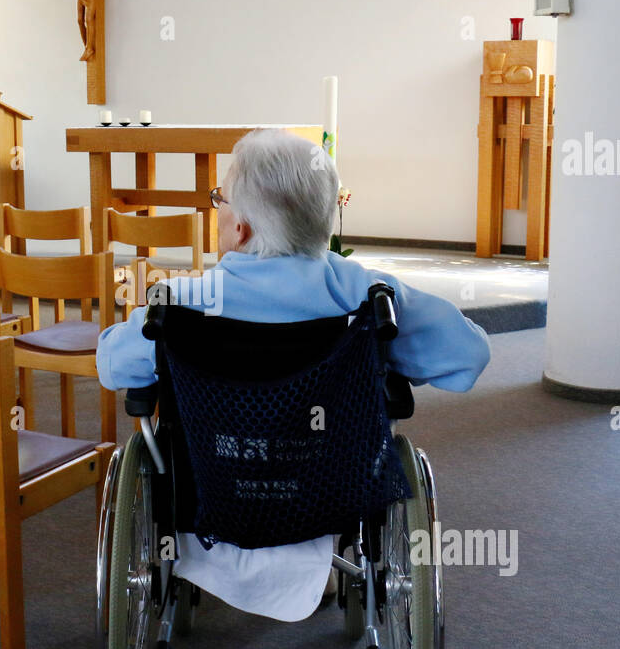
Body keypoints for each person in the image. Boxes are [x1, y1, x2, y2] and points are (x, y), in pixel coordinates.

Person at [96, 128, 490, 621]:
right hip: (329, 492)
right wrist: (390, 359)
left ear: (239, 228)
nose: (217, 208)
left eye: (220, 199)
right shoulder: (369, 297)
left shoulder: (185, 303)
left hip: (213, 493)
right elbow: (468, 356)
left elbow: (111, 366)